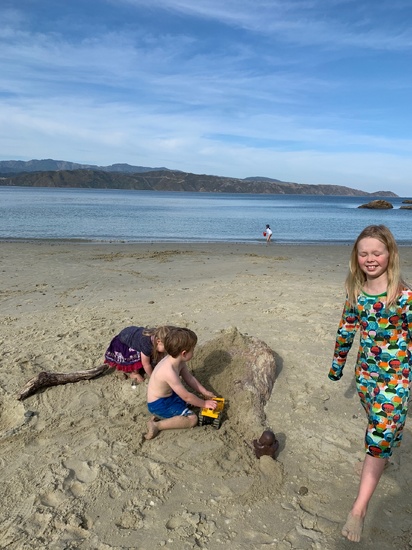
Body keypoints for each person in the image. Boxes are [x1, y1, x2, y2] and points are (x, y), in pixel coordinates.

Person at [329, 225, 412, 543]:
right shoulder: (356, 292)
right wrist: (337, 366)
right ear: (356, 257)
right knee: (379, 428)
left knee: (379, 434)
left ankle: (359, 509)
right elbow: (346, 329)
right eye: (363, 253)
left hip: (396, 380)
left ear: (390, 254)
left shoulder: (404, 296)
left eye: (377, 252)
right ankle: (381, 457)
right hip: (365, 377)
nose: (370, 258)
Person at [145, 327, 217, 439]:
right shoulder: (169, 372)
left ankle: (167, 415)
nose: (193, 352)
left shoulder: (177, 360)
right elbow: (187, 396)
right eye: (192, 350)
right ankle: (157, 425)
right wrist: (204, 404)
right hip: (159, 404)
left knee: (193, 401)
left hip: (169, 396)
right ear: (184, 353)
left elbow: (189, 378)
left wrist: (204, 391)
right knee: (192, 419)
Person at [104, 325, 174, 384]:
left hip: (132, 333)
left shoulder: (158, 334)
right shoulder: (146, 346)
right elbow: (146, 364)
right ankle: (134, 374)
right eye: (167, 348)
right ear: (158, 341)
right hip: (124, 341)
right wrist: (153, 377)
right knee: (137, 358)